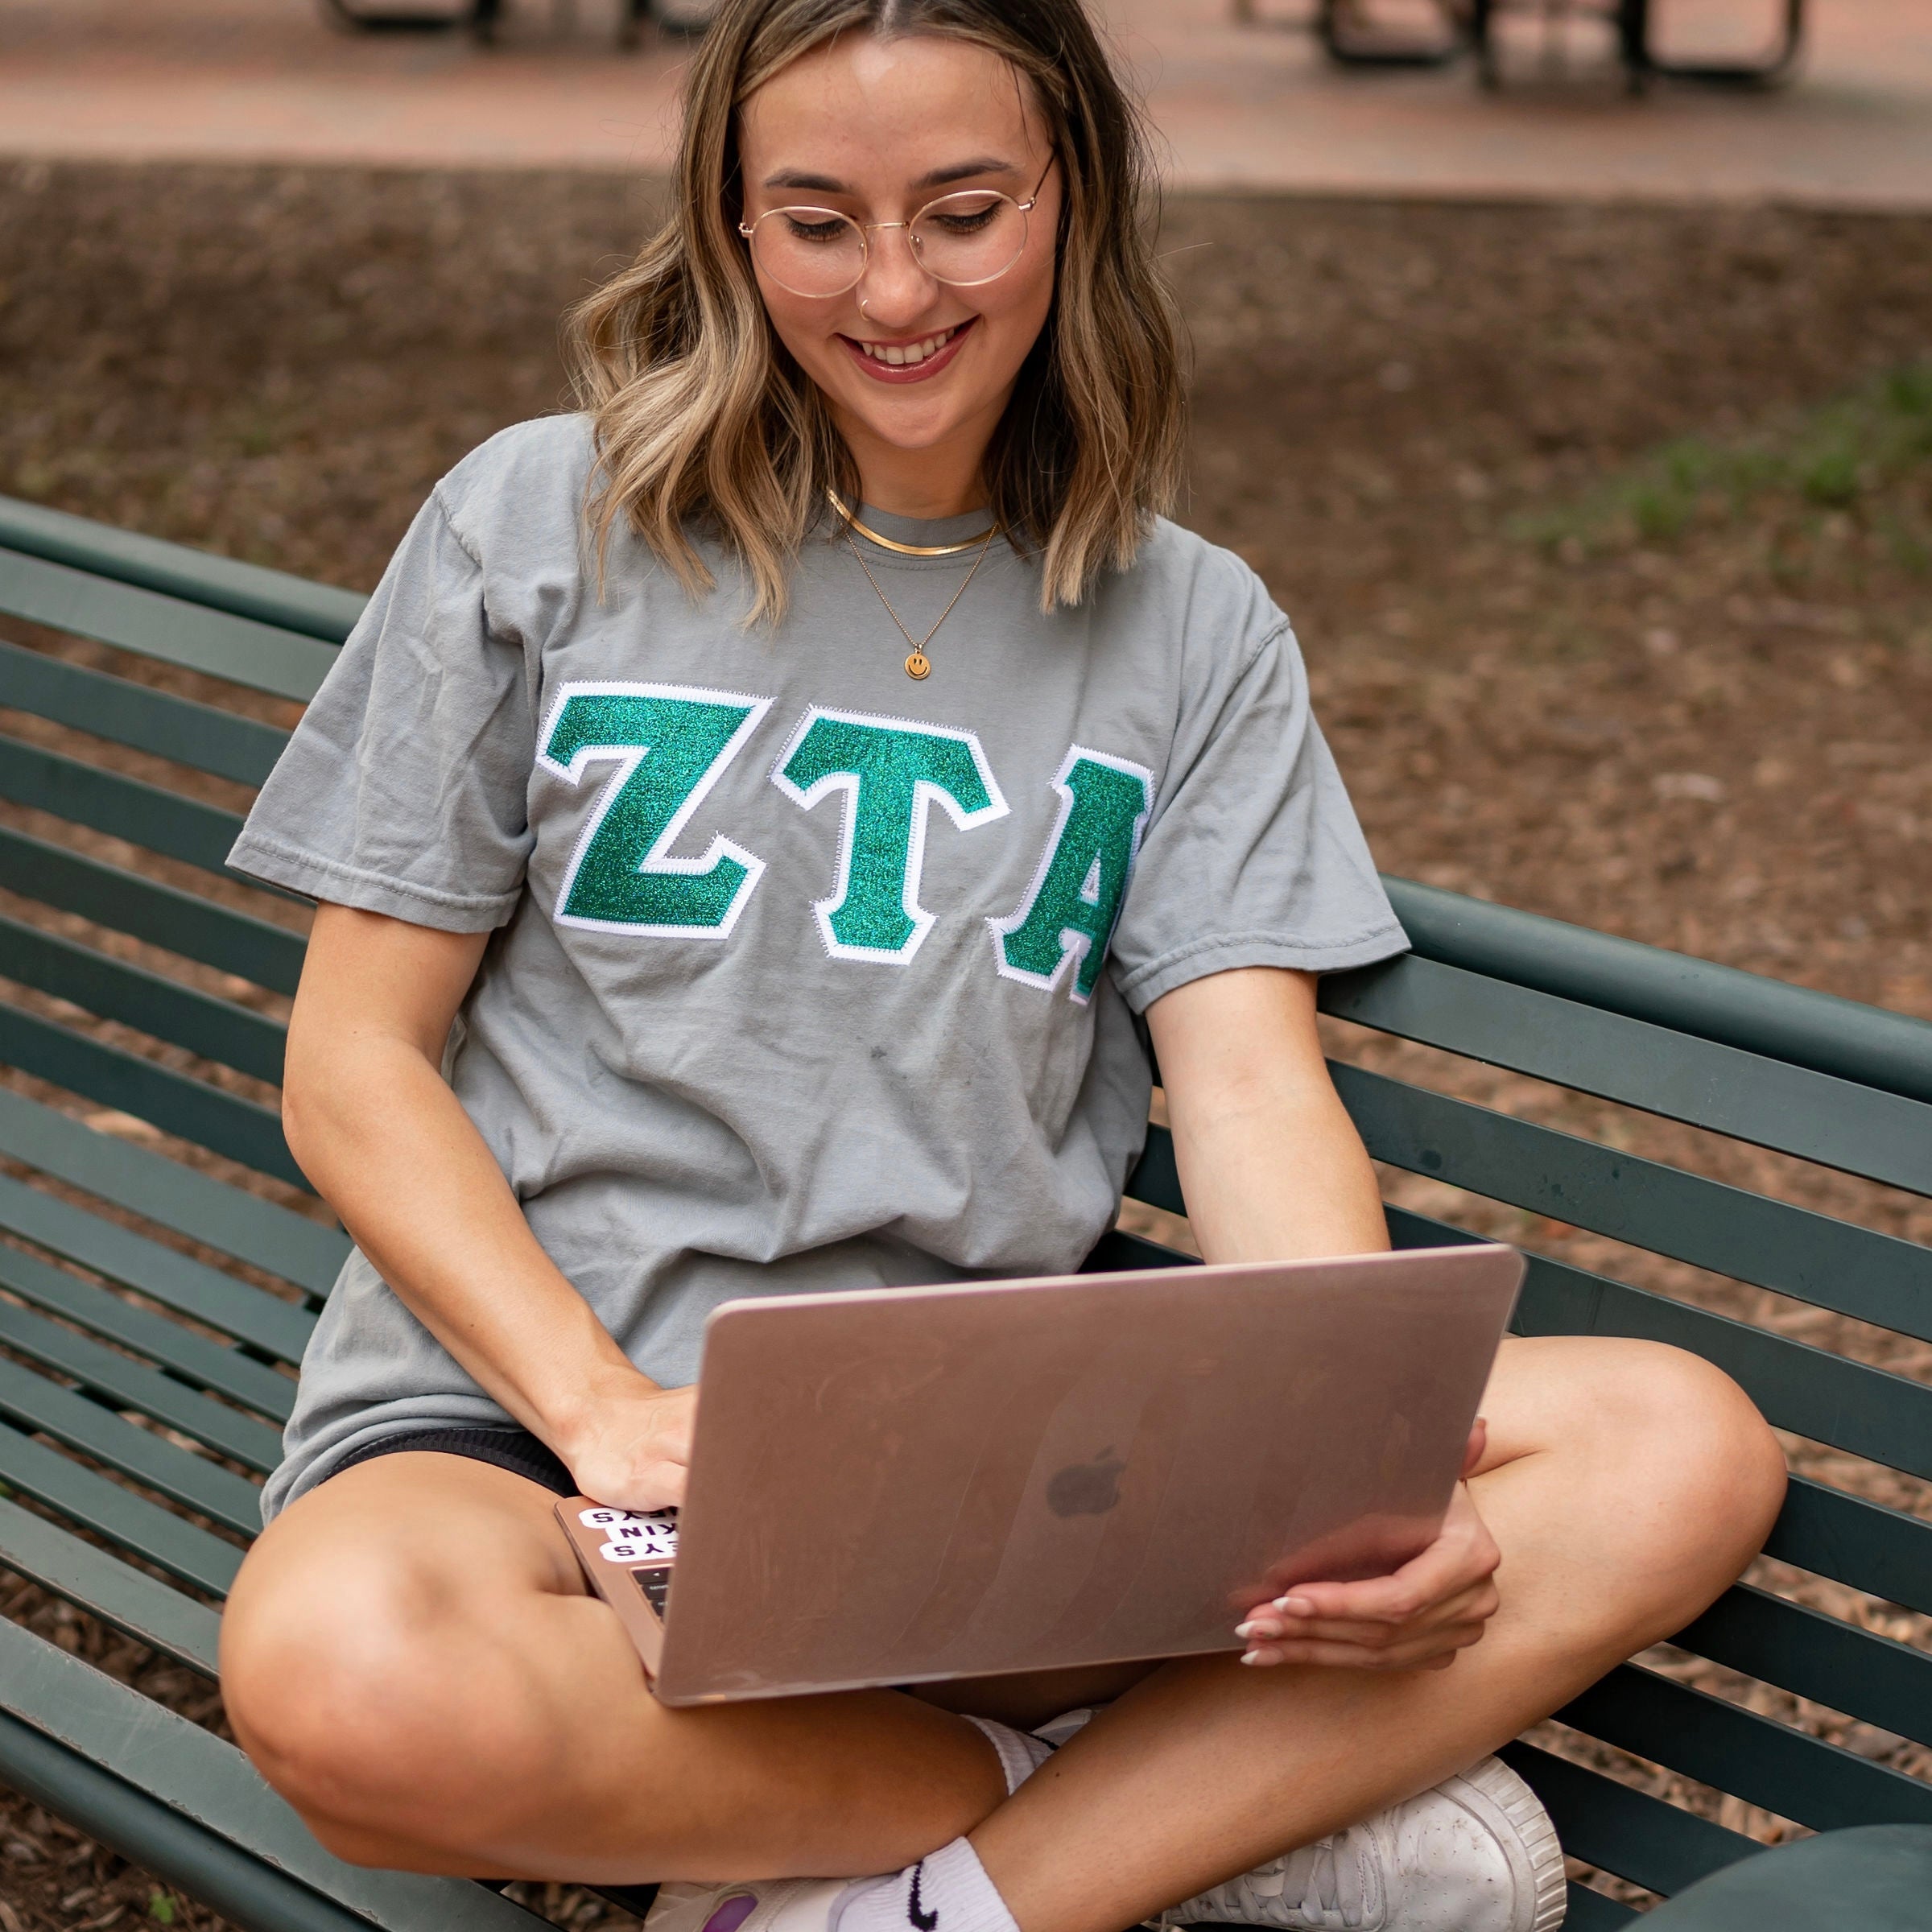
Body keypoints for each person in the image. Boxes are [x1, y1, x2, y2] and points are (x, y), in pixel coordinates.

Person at [218, 3, 1787, 1929]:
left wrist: (1361, 1464)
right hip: (539, 1439)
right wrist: (602, 1405)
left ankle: (926, 1903)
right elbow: (353, 1063)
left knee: (1671, 1445)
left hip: (977, 1464)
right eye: (817, 219)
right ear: (727, 225)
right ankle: (1127, 1816)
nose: (894, 287)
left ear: (1075, 202)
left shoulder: (1188, 624)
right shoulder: (540, 522)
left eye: (964, 210)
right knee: (343, 1681)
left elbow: (1242, 1076)